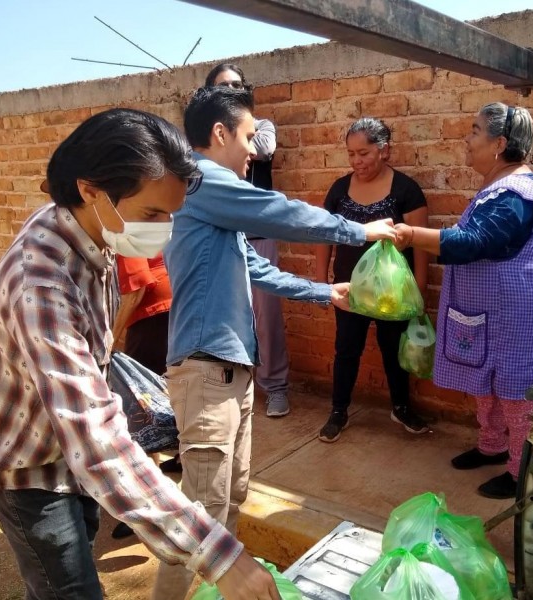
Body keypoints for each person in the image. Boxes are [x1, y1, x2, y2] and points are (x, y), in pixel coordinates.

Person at [0, 108, 282, 600]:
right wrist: (222, 557)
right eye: (153, 214)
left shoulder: (90, 230)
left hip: (69, 455)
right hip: (29, 467)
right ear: (92, 191)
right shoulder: (39, 284)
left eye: (171, 214)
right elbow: (95, 440)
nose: (164, 230)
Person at [152, 86, 397, 599]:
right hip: (207, 372)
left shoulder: (210, 199)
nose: (255, 151)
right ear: (219, 134)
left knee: (228, 501)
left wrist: (323, 292)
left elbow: (255, 266)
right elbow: (279, 212)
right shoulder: (202, 181)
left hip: (229, 370)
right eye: (247, 137)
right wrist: (358, 231)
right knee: (200, 517)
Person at [394, 103, 533, 500]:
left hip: (512, 314)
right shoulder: (499, 186)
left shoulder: (517, 194)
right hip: (487, 310)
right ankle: (492, 446)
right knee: (485, 382)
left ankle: (519, 471)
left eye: (474, 131)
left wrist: (411, 235)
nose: (466, 139)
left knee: (514, 391)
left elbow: (476, 243)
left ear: (500, 144)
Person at [315, 117, 431, 443]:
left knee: (393, 350)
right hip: (349, 289)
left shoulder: (406, 191)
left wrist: (420, 289)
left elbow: (421, 244)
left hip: (393, 293)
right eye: (351, 154)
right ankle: (338, 412)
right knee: (346, 350)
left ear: (384, 151)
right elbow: (324, 234)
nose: (357, 161)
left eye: (363, 153)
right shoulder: (340, 189)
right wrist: (320, 278)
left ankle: (401, 407)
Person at [205, 63, 291, 418]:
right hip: (217, 232)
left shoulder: (262, 126)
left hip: (258, 233)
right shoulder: (205, 132)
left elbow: (263, 149)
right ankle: (233, 388)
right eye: (222, 86)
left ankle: (276, 387)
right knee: (223, 314)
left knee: (265, 317)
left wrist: (234, 132)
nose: (230, 90)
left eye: (236, 85)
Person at [110, 253, 174, 539]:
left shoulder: (126, 225)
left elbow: (135, 290)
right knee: (170, 391)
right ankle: (182, 458)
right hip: (176, 308)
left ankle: (149, 502)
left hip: (153, 315)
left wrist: (109, 339)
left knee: (139, 409)